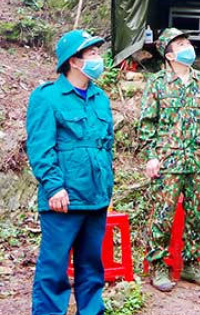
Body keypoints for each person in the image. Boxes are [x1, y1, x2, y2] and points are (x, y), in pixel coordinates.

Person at [26, 29, 114, 315]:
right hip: (62, 200)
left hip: (95, 198)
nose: (98, 59)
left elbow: (106, 146)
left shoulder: (100, 97)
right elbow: (40, 148)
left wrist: (106, 189)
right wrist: (53, 187)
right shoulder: (48, 97)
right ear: (74, 61)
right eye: (92, 54)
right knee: (54, 268)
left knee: (92, 267)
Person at [138, 28, 200, 292]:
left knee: (196, 215)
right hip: (167, 161)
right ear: (169, 55)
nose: (187, 47)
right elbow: (147, 124)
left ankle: (192, 265)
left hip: (197, 160)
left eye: (187, 42)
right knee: (163, 216)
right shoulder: (157, 83)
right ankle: (159, 267)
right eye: (180, 44)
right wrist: (152, 156)